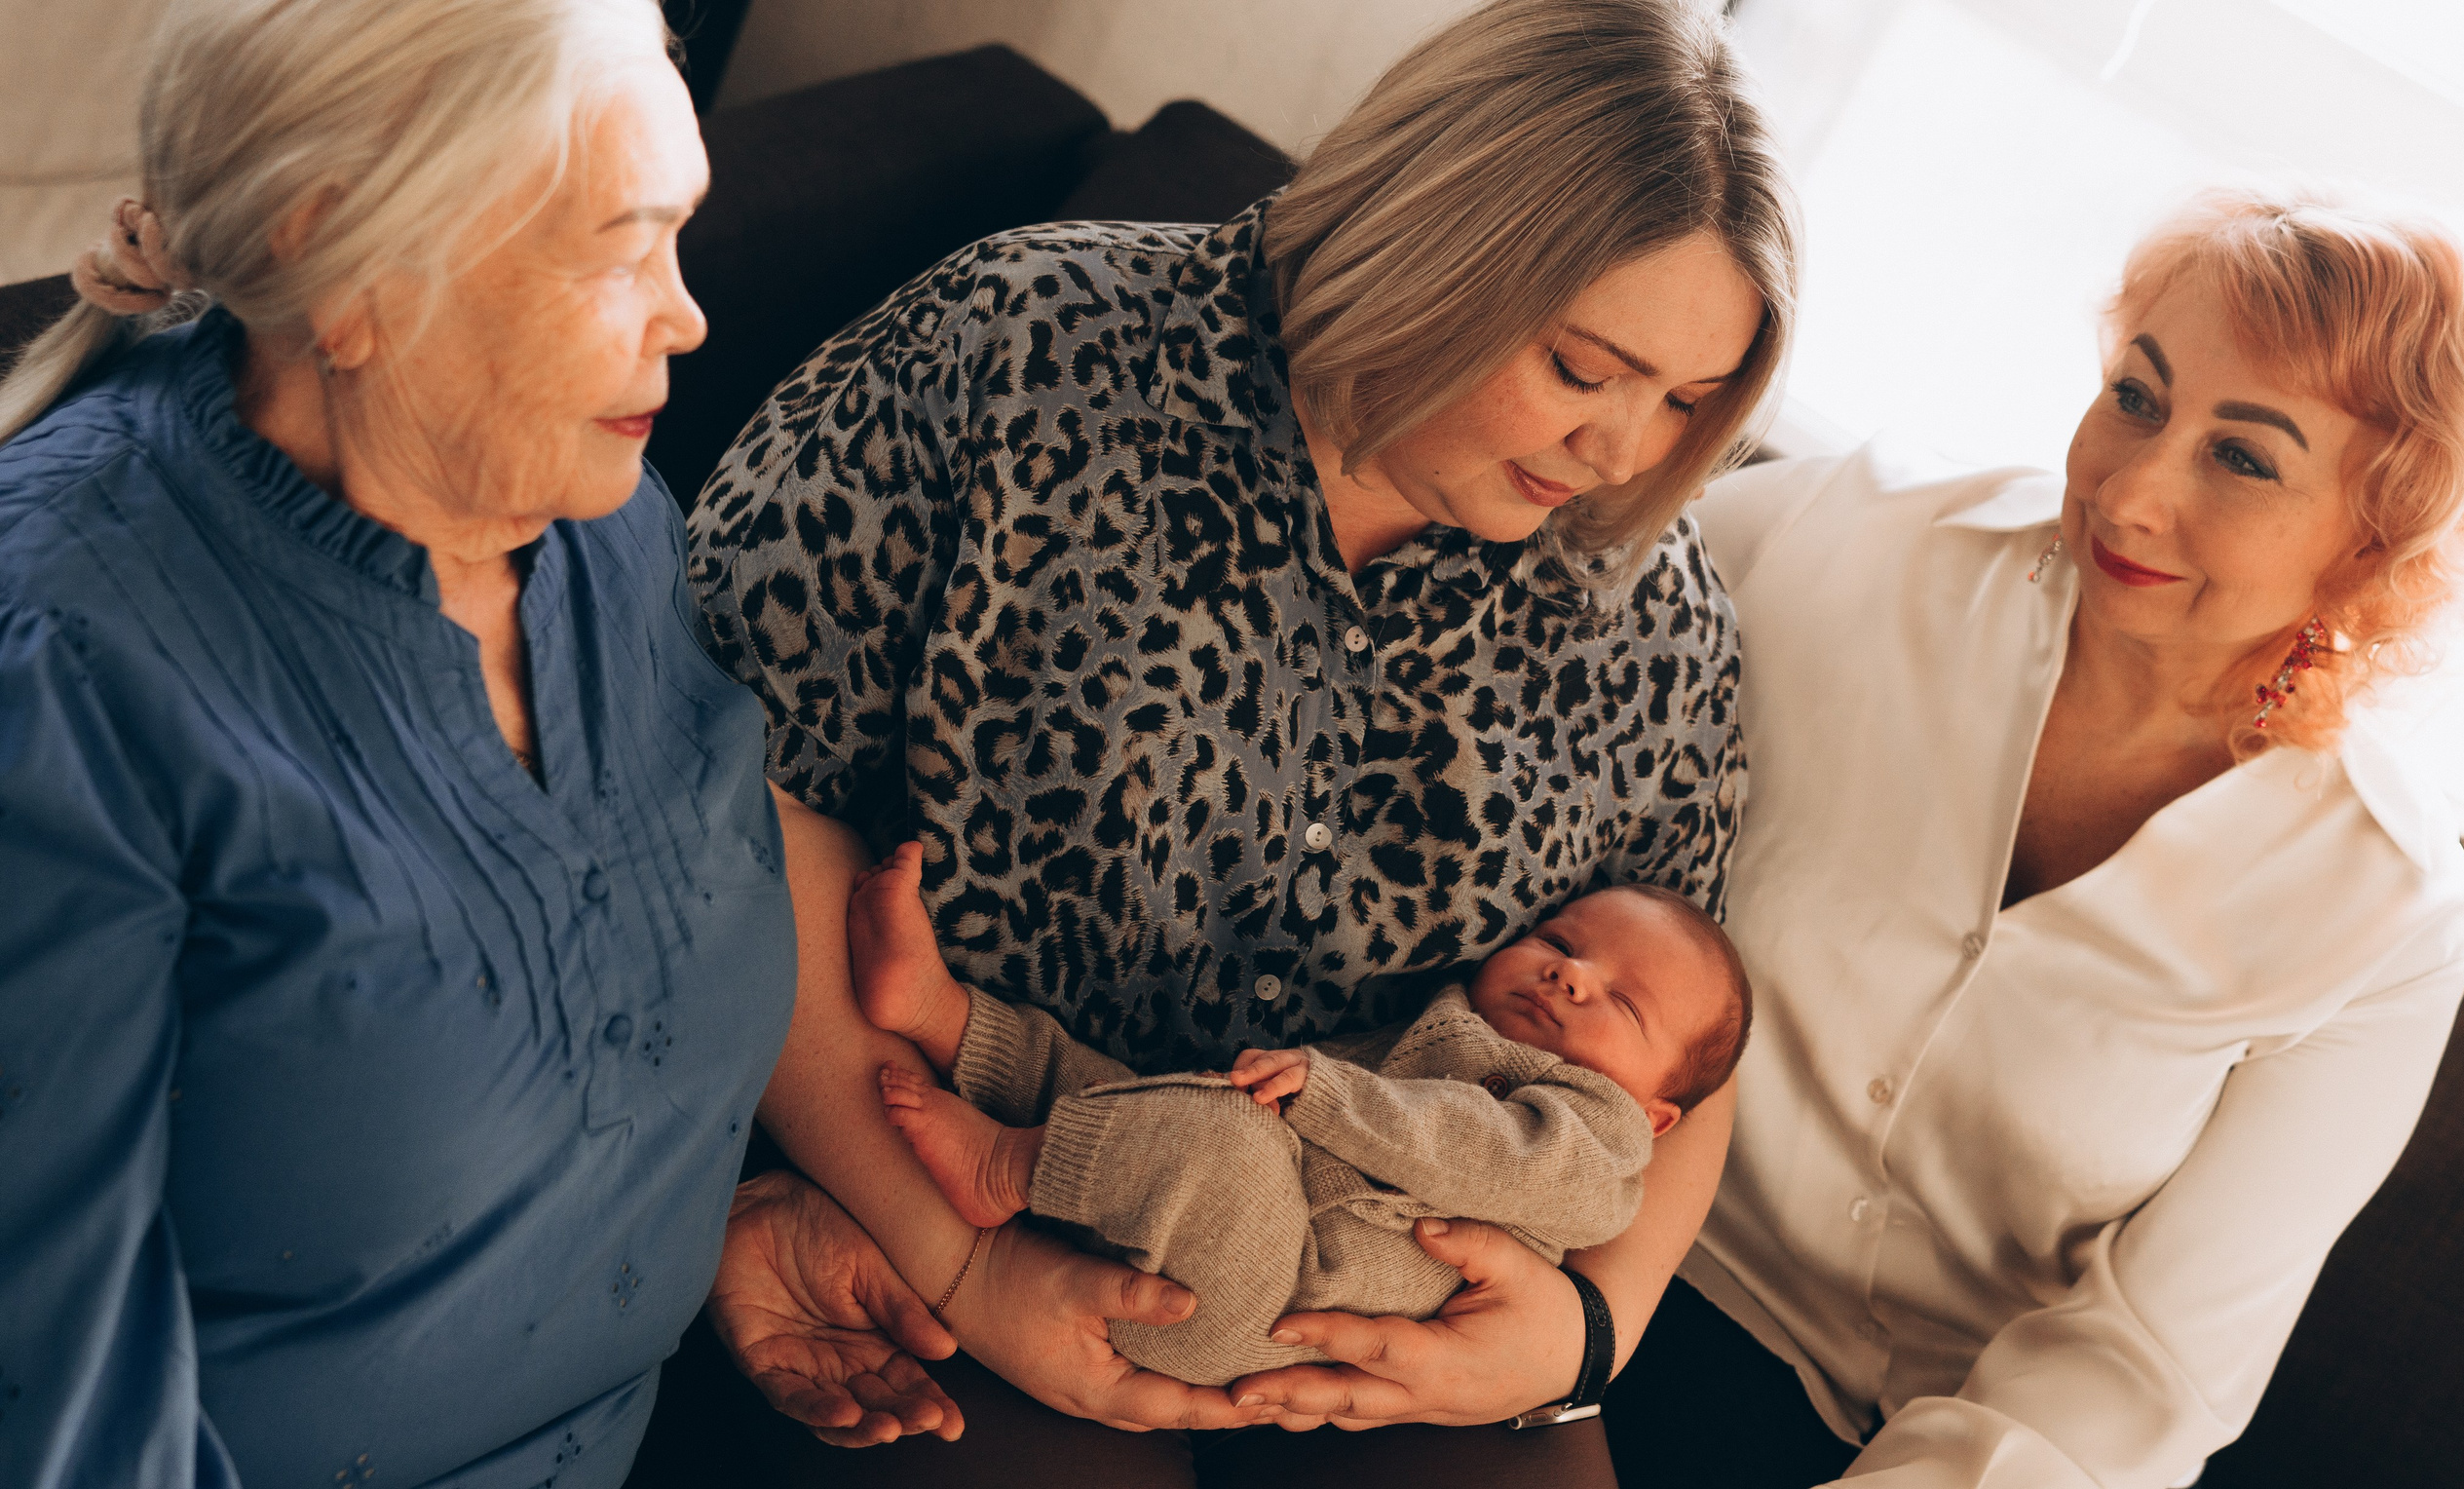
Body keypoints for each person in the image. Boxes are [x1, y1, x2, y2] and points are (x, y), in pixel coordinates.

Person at [663, 0, 1798, 1481]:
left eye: (1689, 402)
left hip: (1388, 1290)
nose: (1623, 454)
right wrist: (956, 1261)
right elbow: (724, 791)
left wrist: (1591, 1331)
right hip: (956, 1168)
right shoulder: (1036, 356)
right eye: (1585, 369)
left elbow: (1690, 1035)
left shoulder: (1651, 609)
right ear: (1435, 235)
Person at [0, 2, 832, 1484]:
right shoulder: (64, 666)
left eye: (681, 230)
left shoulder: (607, 522)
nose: (686, 313)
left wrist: (722, 1224)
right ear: (354, 272)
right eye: (619, 242)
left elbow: (615, 1017)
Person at [1584, 191, 2464, 1488]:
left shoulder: (2384, 917)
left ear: (2375, 537)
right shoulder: (1843, 538)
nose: (2131, 494)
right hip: (1555, 1246)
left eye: (2243, 457)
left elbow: (2145, 1370)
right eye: (2136, 395)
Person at [855, 846, 1751, 1387]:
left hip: (1265, 1309)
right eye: (1559, 942)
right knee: (1142, 1094)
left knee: (1217, 1133)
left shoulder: (1595, 1146)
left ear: (1657, 1116)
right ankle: (942, 1015)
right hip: (1234, 1230)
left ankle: (1004, 1171)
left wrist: (1325, 1092)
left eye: (1624, 1007)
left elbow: (1472, 1148)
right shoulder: (1446, 1034)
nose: (1571, 976)